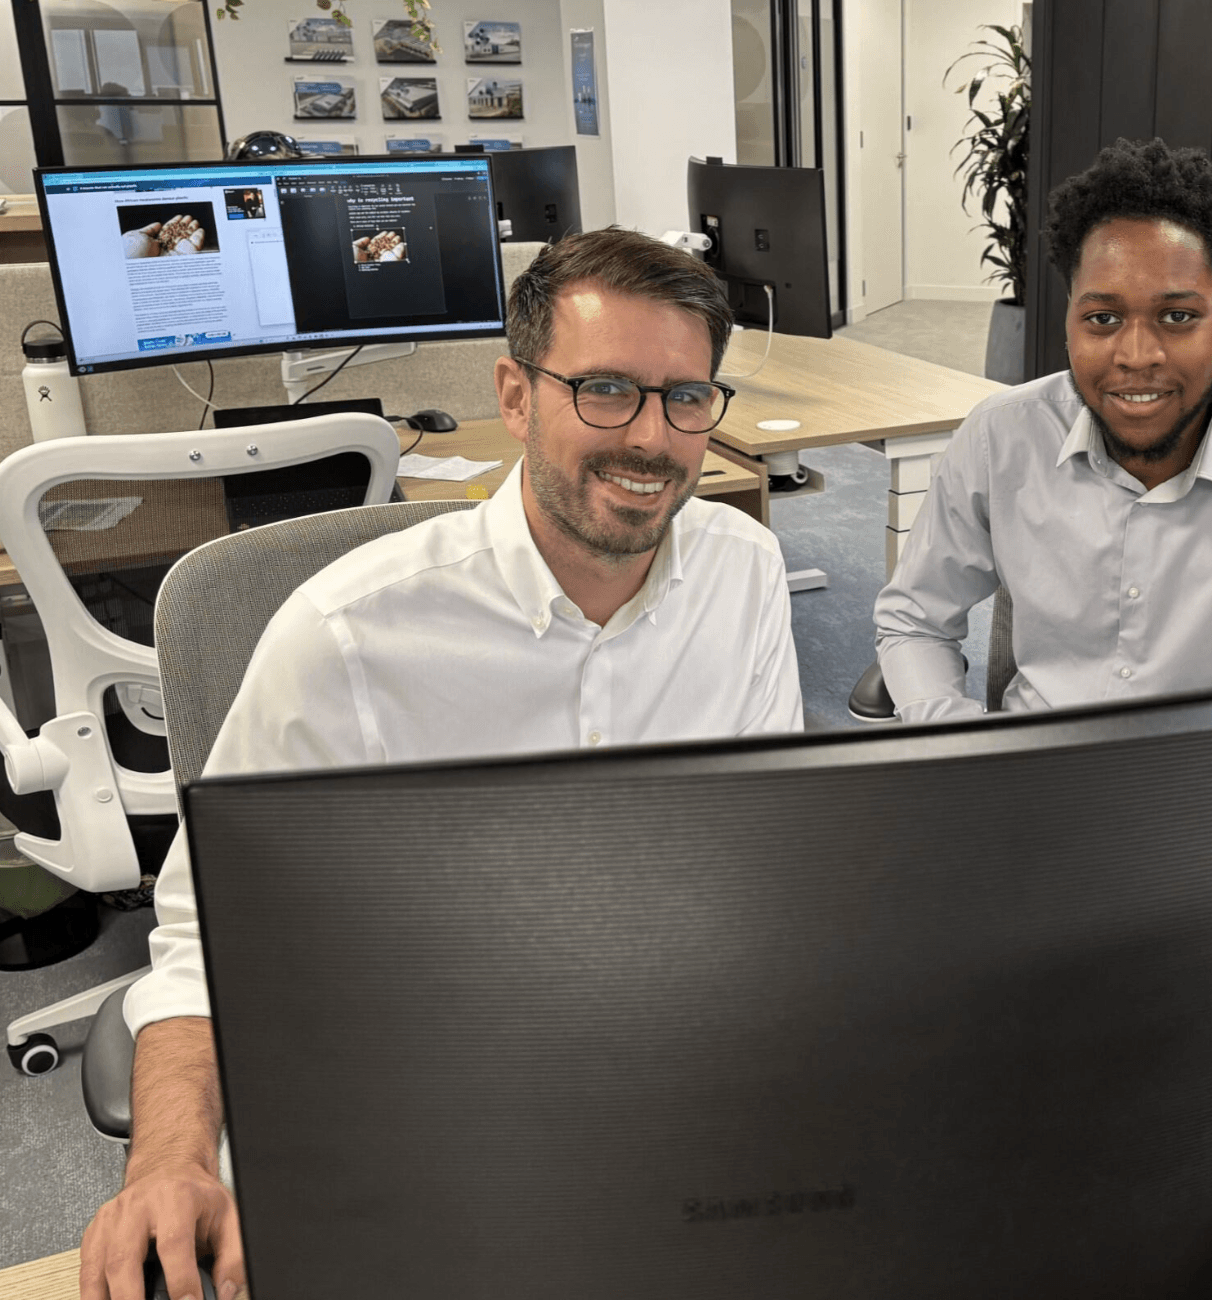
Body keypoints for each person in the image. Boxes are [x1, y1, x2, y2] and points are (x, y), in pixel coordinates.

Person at [79, 227, 803, 1300]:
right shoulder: (348, 635)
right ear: (515, 396)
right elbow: (206, 938)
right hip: (417, 1091)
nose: (651, 438)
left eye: (685, 397)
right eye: (604, 389)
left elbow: (761, 858)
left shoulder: (743, 570)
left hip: (659, 1077)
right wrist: (170, 1161)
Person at [874, 138, 1212, 722]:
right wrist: (957, 741)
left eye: (1177, 317)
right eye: (1103, 318)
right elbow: (914, 619)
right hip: (1036, 785)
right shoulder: (1001, 437)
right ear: (1070, 317)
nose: (1137, 355)